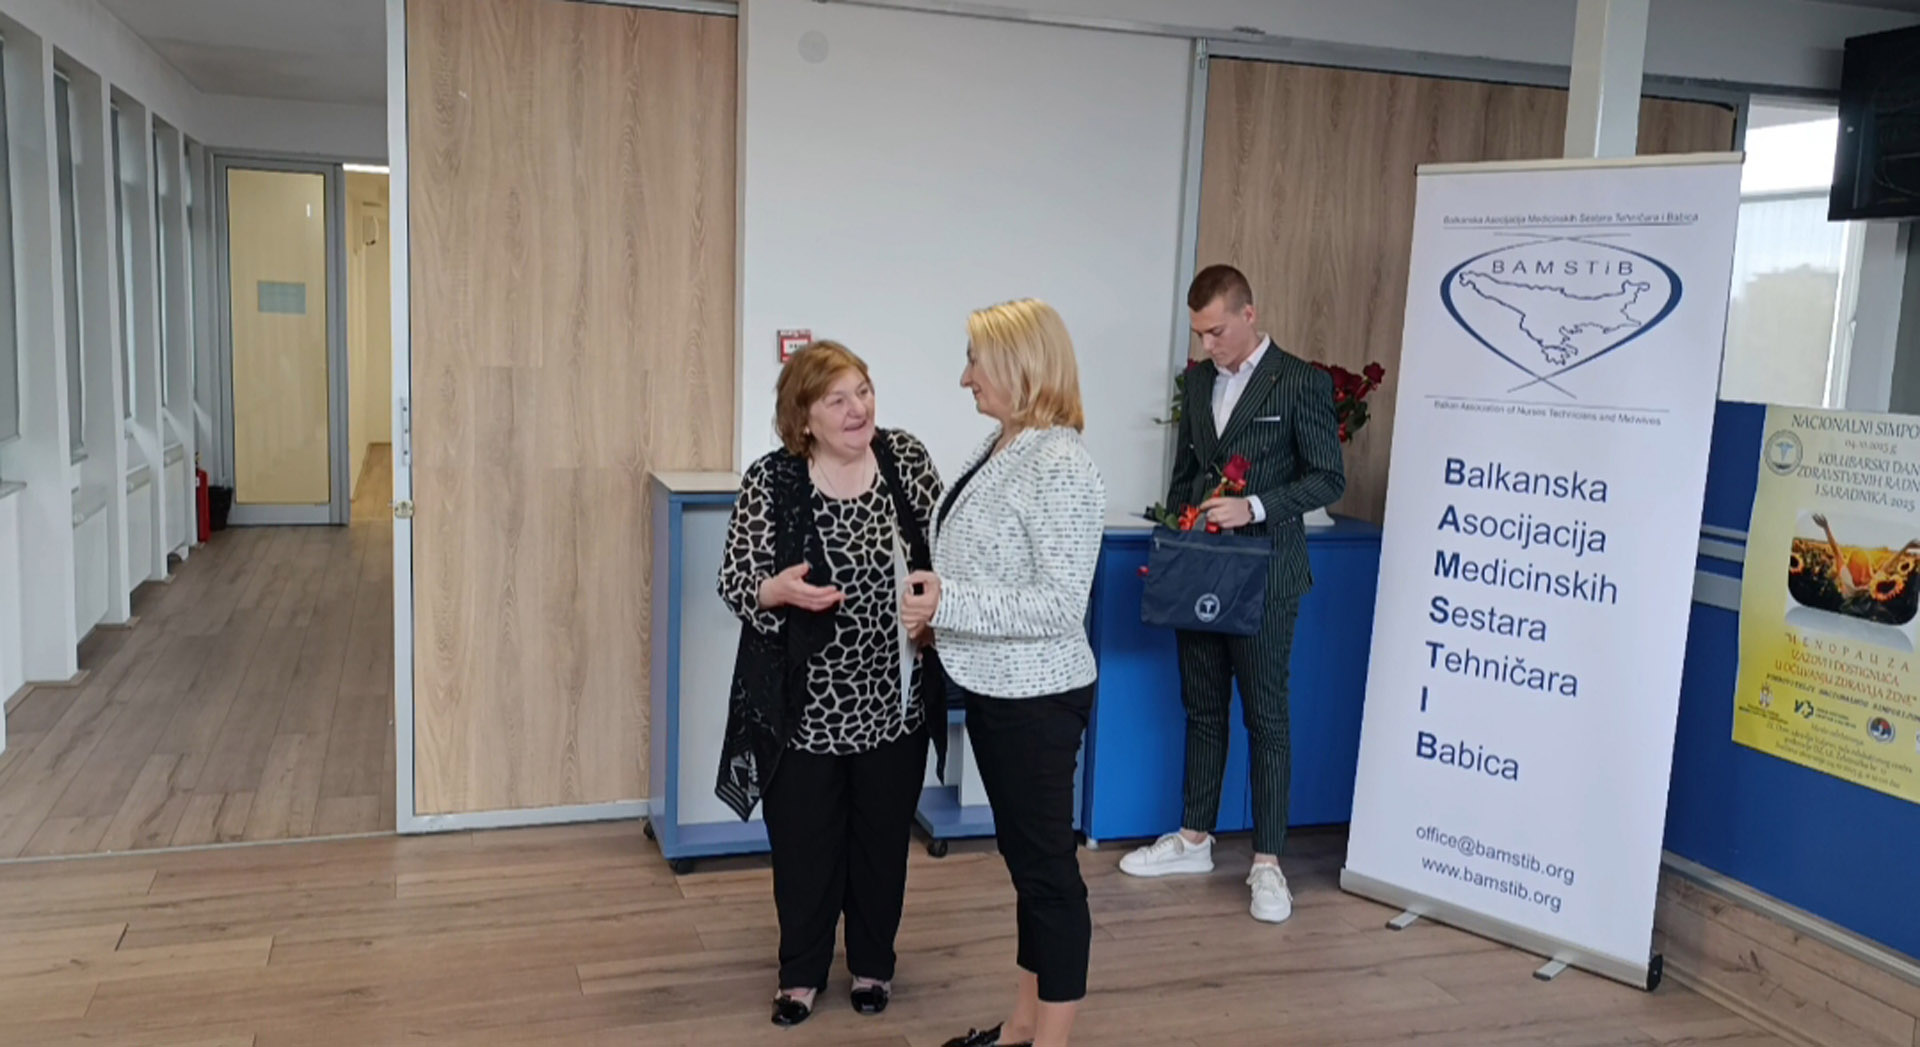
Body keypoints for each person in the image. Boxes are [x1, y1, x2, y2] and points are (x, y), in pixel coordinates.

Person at [714, 340, 946, 1028]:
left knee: (881, 845)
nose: (857, 409)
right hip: (802, 712)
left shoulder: (905, 460)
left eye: (863, 392)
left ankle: (873, 965)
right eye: (837, 399)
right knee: (805, 849)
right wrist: (774, 590)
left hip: (893, 705)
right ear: (803, 416)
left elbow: (946, 555)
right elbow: (735, 580)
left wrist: (936, 610)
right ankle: (801, 974)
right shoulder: (773, 478)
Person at [902, 299, 1106, 1047]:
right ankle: (1023, 1024)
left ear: (1021, 364)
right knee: (1028, 868)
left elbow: (1059, 603)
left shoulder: (1061, 461)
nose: (965, 378)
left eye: (974, 361)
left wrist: (949, 601)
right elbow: (995, 569)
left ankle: (1050, 1041)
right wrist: (942, 617)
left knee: (1048, 874)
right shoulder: (1002, 444)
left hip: (1037, 697)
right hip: (996, 689)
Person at [1118, 264, 1345, 923]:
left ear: (1250, 313)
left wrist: (1256, 506)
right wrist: (1174, 540)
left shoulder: (1300, 381)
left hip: (1267, 575)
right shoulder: (1196, 381)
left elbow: (1328, 478)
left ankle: (1268, 864)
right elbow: (1187, 473)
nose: (1207, 344)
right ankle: (1194, 839)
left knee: (1267, 718)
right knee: (1202, 708)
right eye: (1199, 333)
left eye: (1216, 331)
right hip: (1200, 572)